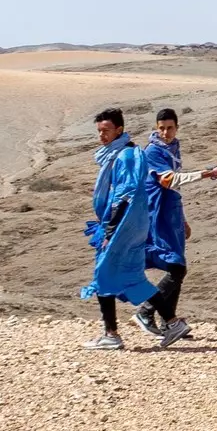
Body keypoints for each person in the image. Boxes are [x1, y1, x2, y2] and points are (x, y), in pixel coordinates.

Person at [138, 106, 217, 347]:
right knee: (176, 265)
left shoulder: (173, 148)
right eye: (162, 129)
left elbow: (175, 185)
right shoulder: (152, 151)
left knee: (178, 266)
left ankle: (169, 320)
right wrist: (207, 174)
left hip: (172, 210)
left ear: (177, 128)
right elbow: (169, 180)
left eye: (170, 128)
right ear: (156, 129)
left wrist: (184, 219)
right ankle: (147, 310)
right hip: (159, 211)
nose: (166, 132)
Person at [81, 107, 161, 350]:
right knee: (131, 276)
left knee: (103, 275)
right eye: (99, 131)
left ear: (119, 130)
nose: (102, 136)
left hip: (120, 227)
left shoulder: (124, 156)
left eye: (106, 131)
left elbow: (124, 195)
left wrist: (110, 230)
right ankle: (172, 321)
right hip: (123, 225)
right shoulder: (117, 154)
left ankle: (111, 334)